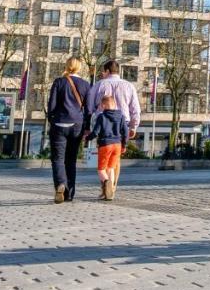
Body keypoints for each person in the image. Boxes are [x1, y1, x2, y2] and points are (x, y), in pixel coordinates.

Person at [47, 56, 91, 204]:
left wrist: (52, 121)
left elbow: (51, 105)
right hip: (77, 125)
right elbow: (89, 109)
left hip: (59, 123)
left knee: (58, 159)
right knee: (71, 160)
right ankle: (69, 193)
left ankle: (60, 184)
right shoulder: (86, 85)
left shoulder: (59, 82)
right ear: (79, 68)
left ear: (67, 65)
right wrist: (87, 127)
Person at [86, 60, 141, 148]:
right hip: (122, 123)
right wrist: (133, 126)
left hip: (102, 123)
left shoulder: (99, 85)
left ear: (107, 71)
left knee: (102, 152)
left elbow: (89, 105)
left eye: (104, 71)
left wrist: (88, 125)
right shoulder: (129, 86)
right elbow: (135, 109)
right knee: (116, 153)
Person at [87, 93, 128, 201]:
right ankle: (111, 192)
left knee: (101, 170)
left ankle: (106, 183)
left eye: (101, 105)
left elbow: (95, 132)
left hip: (105, 145)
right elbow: (126, 132)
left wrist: (87, 138)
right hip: (117, 145)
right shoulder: (121, 116)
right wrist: (124, 144)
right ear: (114, 105)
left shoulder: (102, 116)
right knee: (111, 168)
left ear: (103, 106)